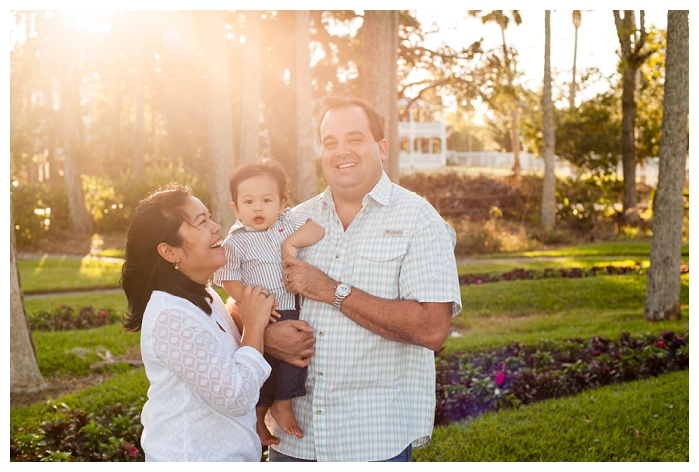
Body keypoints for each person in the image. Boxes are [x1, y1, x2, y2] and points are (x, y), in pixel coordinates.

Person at [264, 96, 463, 462]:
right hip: (295, 441)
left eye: (354, 138)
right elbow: (244, 297)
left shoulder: (419, 220)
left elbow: (433, 330)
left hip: (372, 441)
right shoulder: (291, 221)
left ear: (381, 147)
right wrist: (265, 334)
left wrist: (329, 290)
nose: (341, 151)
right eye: (330, 142)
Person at [121, 183, 276, 461]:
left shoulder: (202, 293)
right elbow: (236, 397)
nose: (217, 227)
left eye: (210, 217)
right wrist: (254, 326)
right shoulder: (171, 315)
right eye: (202, 222)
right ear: (170, 252)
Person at [213, 160, 324, 446]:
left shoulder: (287, 224)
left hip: (290, 305)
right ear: (236, 208)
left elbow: (317, 231)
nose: (258, 208)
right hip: (259, 310)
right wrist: (250, 304)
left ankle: (283, 404)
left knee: (294, 357)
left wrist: (291, 244)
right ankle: (259, 417)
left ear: (282, 203)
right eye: (248, 202)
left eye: (267, 200)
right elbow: (229, 278)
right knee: (262, 365)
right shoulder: (236, 240)